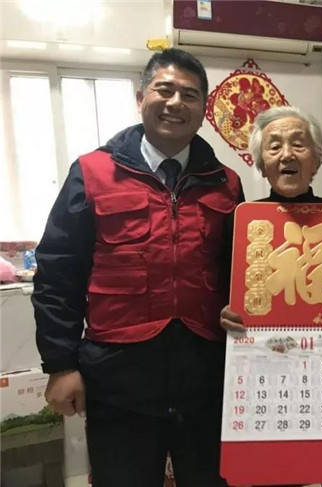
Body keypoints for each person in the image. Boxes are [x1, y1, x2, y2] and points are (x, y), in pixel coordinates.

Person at [33, 48, 244, 487]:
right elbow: (57, 273)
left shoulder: (226, 182)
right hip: (118, 379)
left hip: (205, 378)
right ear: (140, 97)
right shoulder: (93, 172)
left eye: (190, 95)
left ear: (203, 109)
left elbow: (239, 274)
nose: (176, 103)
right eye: (164, 90)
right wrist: (60, 365)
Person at [220, 106, 322, 487]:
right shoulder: (242, 222)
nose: (286, 154)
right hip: (269, 374)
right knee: (276, 473)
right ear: (261, 163)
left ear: (317, 159)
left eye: (299, 144)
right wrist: (225, 313)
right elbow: (222, 291)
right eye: (274, 147)